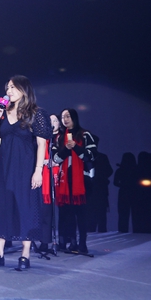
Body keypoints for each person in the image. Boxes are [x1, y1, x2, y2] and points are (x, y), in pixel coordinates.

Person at [0, 75, 51, 270]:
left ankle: (25, 255)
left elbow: (41, 145)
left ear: (24, 89)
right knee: (2, 206)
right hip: (4, 168)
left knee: (26, 208)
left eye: (13, 87)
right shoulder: (3, 112)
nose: (9, 91)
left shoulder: (36, 114)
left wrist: (38, 171)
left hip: (25, 168)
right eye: (8, 88)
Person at [53, 108, 97, 254]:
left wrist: (76, 147)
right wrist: (66, 149)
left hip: (82, 180)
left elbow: (91, 156)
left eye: (68, 116)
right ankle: (70, 243)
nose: (65, 119)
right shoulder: (60, 137)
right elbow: (56, 159)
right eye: (63, 117)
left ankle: (82, 244)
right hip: (65, 180)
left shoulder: (85, 134)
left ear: (74, 117)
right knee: (67, 213)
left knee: (82, 214)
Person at [37, 113, 61, 253]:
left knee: (57, 213)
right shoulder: (41, 139)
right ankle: (44, 242)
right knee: (44, 212)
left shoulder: (62, 138)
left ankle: (63, 241)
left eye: (55, 121)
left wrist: (55, 161)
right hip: (43, 178)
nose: (52, 123)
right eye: (49, 121)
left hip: (59, 179)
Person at [114, 152, 137, 232]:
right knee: (135, 213)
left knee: (123, 214)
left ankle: (122, 230)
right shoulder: (136, 170)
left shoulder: (120, 170)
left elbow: (115, 183)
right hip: (135, 193)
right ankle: (136, 230)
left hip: (123, 193)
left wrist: (123, 185)